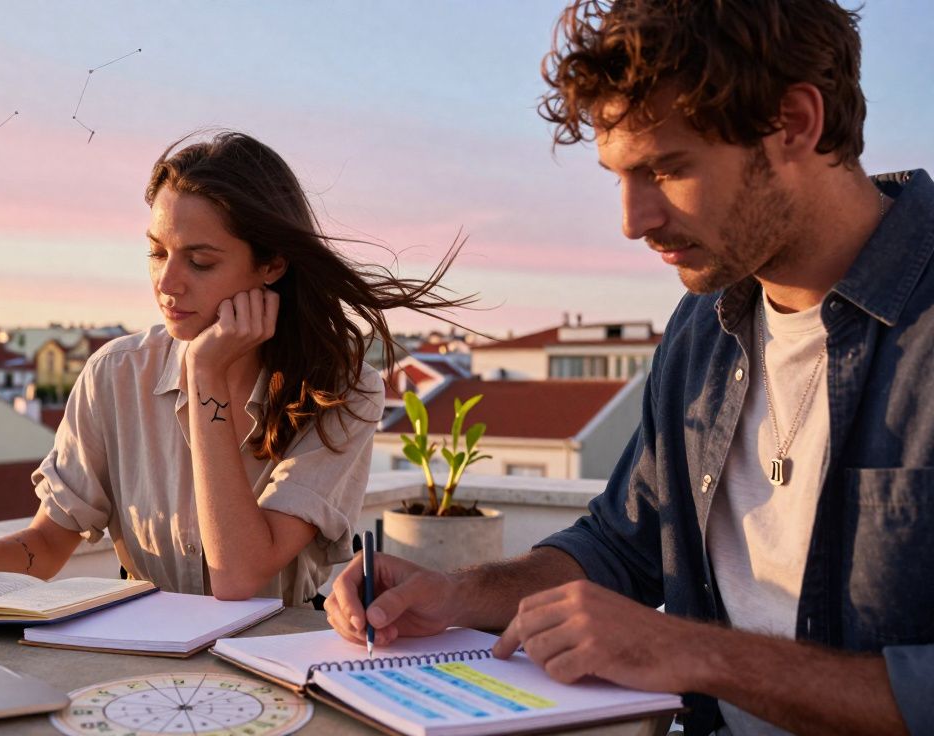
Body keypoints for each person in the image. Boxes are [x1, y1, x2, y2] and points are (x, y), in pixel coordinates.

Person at [325, 1, 932, 733]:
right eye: (619, 175)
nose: (632, 220)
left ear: (796, 123)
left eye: (668, 168)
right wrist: (459, 593)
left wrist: (696, 654)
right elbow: (620, 545)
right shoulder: (702, 329)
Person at [0, 131, 475, 606]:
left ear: (272, 264)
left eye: (199, 261)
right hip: (141, 663)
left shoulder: (342, 392)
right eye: (157, 252)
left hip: (275, 666)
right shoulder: (114, 374)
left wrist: (203, 375)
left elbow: (240, 576)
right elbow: (50, 543)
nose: (167, 284)